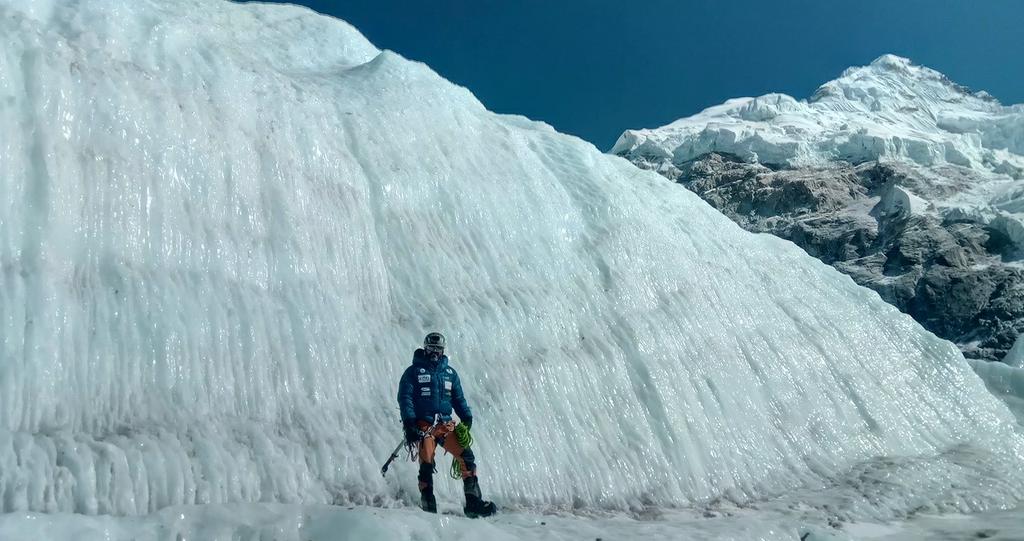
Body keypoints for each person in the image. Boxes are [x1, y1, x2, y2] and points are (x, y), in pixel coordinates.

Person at [397, 332, 497, 517]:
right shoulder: (413, 372)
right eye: (430, 348)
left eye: (438, 349)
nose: (434, 352)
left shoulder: (450, 374)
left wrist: (466, 417)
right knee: (426, 463)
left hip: (445, 425)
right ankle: (428, 506)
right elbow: (405, 398)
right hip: (423, 426)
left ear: (443, 350)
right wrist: (410, 423)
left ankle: (473, 503)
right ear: (424, 348)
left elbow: (458, 398)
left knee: (466, 457)